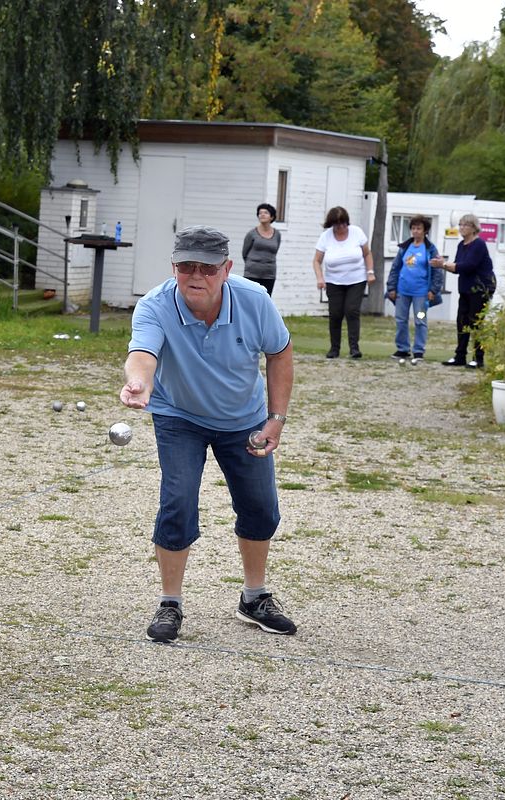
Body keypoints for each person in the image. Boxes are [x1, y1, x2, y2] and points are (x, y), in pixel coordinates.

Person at [120, 225, 296, 644]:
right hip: (179, 414)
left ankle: (254, 597)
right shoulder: (155, 305)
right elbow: (142, 353)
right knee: (178, 502)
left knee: (260, 507)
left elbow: (280, 353)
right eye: (186, 266)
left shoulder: (255, 301)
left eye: (207, 268)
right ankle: (170, 603)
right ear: (174, 267)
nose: (196, 276)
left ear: (227, 268)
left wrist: (276, 418)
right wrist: (138, 383)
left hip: (244, 419)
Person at [433, 214, 496, 368]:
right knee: (462, 322)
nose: (462, 228)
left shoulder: (479, 244)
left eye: (465, 225)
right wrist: (445, 265)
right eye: (460, 225)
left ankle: (478, 358)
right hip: (465, 288)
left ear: (474, 228)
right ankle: (459, 356)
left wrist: (444, 264)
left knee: (476, 323)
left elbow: (468, 266)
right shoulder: (461, 245)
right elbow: (457, 267)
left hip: (480, 288)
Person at [312, 206, 375, 359]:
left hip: (356, 279)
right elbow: (317, 260)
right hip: (334, 281)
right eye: (337, 224)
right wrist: (320, 278)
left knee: (352, 311)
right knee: (335, 314)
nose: (341, 227)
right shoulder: (326, 237)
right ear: (332, 224)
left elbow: (367, 254)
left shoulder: (357, 232)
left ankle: (354, 348)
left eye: (343, 224)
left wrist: (370, 272)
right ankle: (334, 348)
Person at [385, 215, 443, 362]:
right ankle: (402, 349)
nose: (415, 231)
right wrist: (391, 287)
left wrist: (433, 290)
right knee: (400, 319)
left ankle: (418, 350)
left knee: (420, 320)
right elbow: (395, 268)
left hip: (421, 294)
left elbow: (437, 271)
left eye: (419, 228)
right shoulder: (404, 247)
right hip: (402, 292)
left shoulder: (430, 249)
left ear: (425, 231)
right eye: (413, 228)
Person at [241, 202, 281, 296]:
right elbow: (244, 253)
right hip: (252, 273)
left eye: (266, 213)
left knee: (266, 298)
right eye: (260, 213)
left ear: (272, 217)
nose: (262, 214)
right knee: (250, 298)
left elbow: (275, 251)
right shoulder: (251, 234)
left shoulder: (277, 234)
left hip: (269, 274)